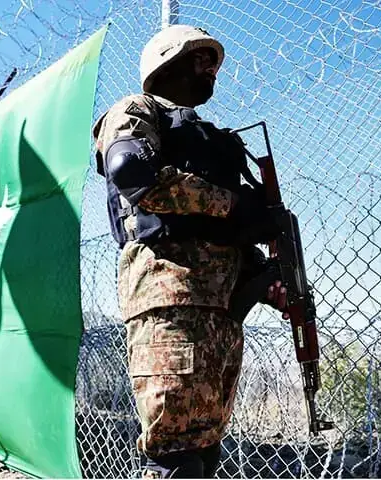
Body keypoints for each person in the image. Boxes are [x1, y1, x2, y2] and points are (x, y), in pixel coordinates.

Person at [92, 25, 289, 478]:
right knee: (175, 456)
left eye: (215, 63)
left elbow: (222, 230)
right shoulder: (137, 110)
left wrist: (261, 271)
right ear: (165, 63)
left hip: (221, 313)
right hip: (171, 302)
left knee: (205, 449)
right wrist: (234, 204)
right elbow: (133, 173)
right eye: (200, 59)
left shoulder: (214, 138)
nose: (212, 70)